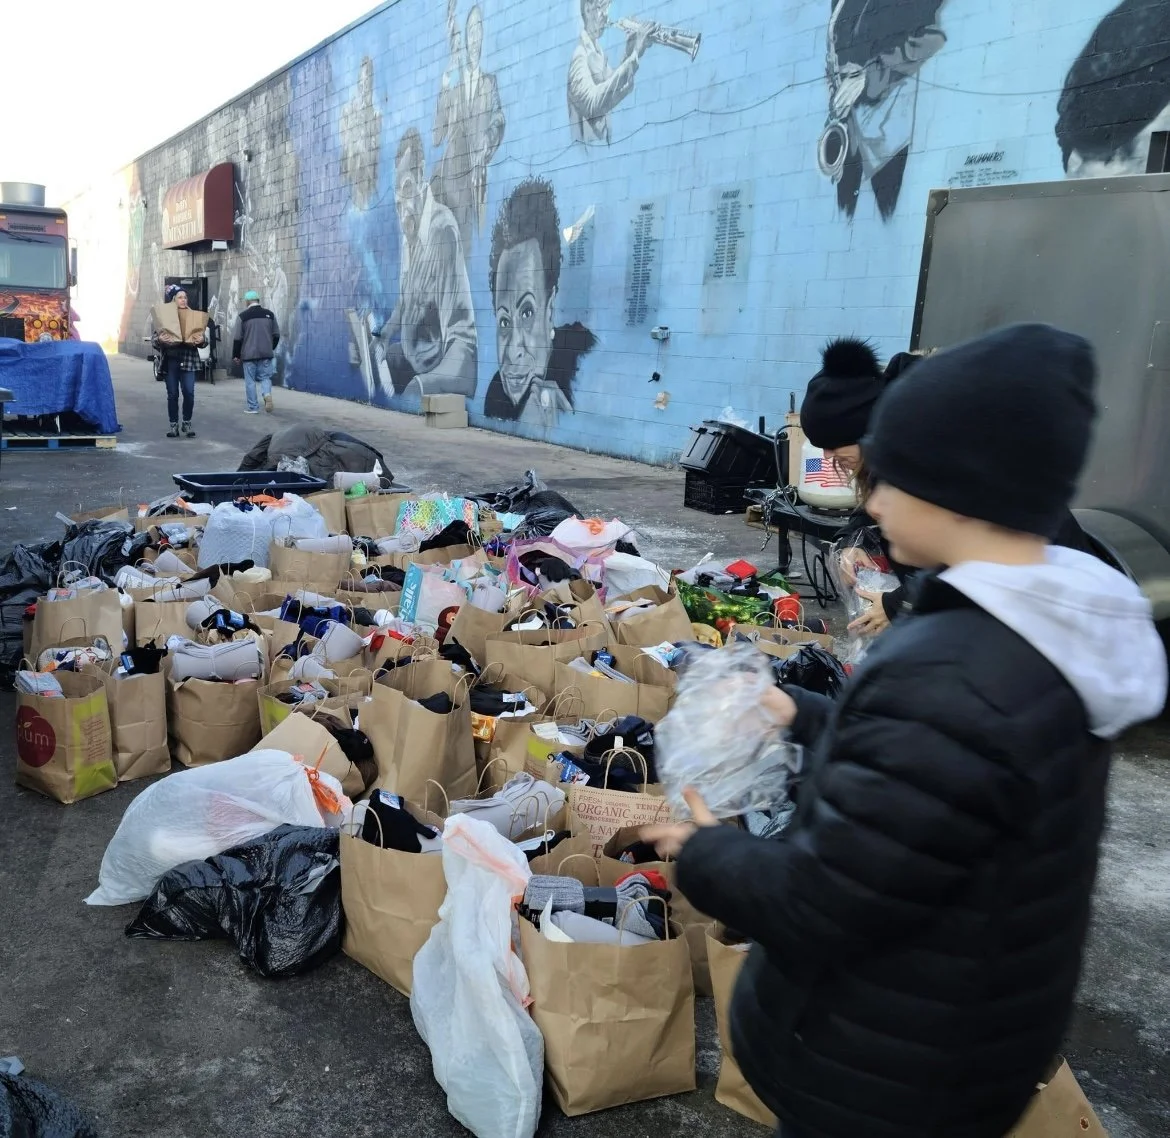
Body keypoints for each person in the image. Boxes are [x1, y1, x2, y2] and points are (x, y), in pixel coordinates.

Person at [646, 323, 1167, 1138]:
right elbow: (934, 799)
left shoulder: (953, 675)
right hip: (965, 1046)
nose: (873, 499)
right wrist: (809, 714)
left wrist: (704, 849)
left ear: (959, 488)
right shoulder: (1048, 635)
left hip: (876, 1074)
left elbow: (821, 903)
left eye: (893, 477)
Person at [801, 337, 1106, 636]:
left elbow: (977, 555)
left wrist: (900, 603)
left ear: (867, 431)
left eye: (834, 443)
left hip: (1044, 617)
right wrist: (853, 541)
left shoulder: (939, 461)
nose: (827, 456)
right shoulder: (902, 455)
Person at [483, 177, 598, 426]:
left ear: (549, 310)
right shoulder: (496, 394)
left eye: (527, 313)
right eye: (503, 321)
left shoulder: (584, 368)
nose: (513, 351)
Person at [374, 128, 477, 398]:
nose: (401, 202)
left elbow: (462, 341)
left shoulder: (441, 232)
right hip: (411, 360)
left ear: (421, 174)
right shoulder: (411, 235)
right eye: (397, 191)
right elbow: (407, 300)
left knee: (399, 393)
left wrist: (423, 387)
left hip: (431, 371)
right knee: (376, 367)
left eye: (406, 187)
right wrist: (384, 333)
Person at [432, 4, 505, 255]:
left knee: (470, 250)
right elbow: (437, 134)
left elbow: (498, 119)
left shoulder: (490, 83)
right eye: (471, 31)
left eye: (479, 31)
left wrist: (488, 138)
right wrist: (444, 83)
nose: (475, 38)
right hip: (450, 191)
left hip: (476, 190)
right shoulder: (453, 88)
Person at [567, 0, 652, 145]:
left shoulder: (597, 51)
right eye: (602, 7)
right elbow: (593, 104)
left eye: (608, 7)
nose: (606, 15)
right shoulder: (580, 56)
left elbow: (614, 91)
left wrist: (630, 51)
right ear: (588, 9)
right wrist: (635, 54)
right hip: (588, 151)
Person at [152, 284, 203, 438]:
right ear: (173, 300)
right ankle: (173, 425)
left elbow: (203, 338)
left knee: (189, 393)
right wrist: (160, 339)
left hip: (189, 359)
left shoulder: (194, 316)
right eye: (180, 297)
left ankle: (186, 423)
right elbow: (155, 338)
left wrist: (202, 339)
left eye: (185, 297)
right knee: (172, 394)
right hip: (171, 361)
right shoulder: (165, 316)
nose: (183, 300)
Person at [231, 289, 280, 415]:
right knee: (265, 377)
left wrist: (236, 355)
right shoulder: (270, 314)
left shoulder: (243, 316)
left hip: (249, 354)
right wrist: (271, 347)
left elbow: (237, 338)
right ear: (258, 300)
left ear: (247, 302)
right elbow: (276, 334)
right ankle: (267, 394)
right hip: (266, 353)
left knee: (250, 381)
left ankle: (253, 407)